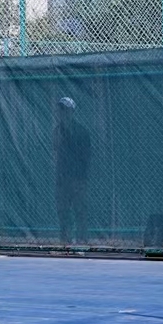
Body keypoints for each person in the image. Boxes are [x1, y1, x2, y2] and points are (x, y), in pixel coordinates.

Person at [53, 96, 91, 244]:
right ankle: (65, 242)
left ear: (72, 112)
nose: (62, 113)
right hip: (62, 179)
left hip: (78, 179)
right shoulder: (57, 131)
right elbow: (55, 153)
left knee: (80, 210)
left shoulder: (82, 132)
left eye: (66, 110)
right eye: (61, 109)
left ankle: (82, 241)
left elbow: (86, 157)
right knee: (63, 211)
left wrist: (81, 177)